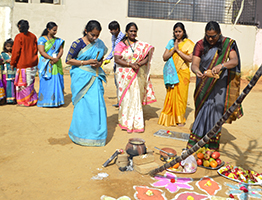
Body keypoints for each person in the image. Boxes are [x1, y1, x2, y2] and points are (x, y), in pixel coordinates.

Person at [186, 21, 243, 151]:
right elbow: (194, 64)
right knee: (202, 110)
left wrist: (222, 65)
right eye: (208, 36)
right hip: (204, 83)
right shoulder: (200, 44)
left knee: (216, 112)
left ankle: (212, 146)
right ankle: (196, 144)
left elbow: (234, 61)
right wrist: (197, 71)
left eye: (214, 36)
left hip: (220, 86)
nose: (211, 39)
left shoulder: (227, 44)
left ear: (219, 34)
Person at [66, 20, 108, 146]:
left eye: (97, 35)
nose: (95, 38)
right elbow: (68, 60)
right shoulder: (77, 44)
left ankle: (97, 135)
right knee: (83, 106)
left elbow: (100, 59)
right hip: (81, 78)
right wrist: (86, 62)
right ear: (86, 31)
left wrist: (98, 63)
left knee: (97, 106)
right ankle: (79, 134)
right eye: (92, 35)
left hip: (95, 77)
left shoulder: (99, 44)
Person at [114, 22, 156, 133]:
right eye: (131, 31)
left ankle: (137, 123)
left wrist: (139, 64)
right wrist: (130, 65)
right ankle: (125, 121)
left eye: (135, 31)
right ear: (127, 32)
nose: (133, 33)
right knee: (126, 98)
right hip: (125, 75)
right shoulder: (121, 44)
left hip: (137, 73)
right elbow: (117, 59)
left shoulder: (141, 45)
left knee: (136, 97)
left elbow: (147, 57)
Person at [158, 22, 194, 127]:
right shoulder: (171, 42)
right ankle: (169, 117)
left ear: (183, 32)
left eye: (180, 31)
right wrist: (174, 48)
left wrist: (178, 51)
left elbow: (190, 59)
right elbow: (164, 57)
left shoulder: (189, 43)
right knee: (171, 94)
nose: (178, 33)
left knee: (182, 96)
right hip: (172, 73)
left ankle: (179, 118)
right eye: (176, 31)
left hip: (183, 73)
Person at [10, 20, 38, 106]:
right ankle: (31, 99)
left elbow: (16, 52)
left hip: (23, 64)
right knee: (30, 83)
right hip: (32, 64)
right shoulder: (33, 36)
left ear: (19, 27)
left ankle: (25, 101)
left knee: (23, 84)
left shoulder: (19, 37)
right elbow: (35, 50)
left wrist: (12, 63)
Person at [37, 22, 65, 107]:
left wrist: (57, 58)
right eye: (54, 30)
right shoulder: (42, 40)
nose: (55, 32)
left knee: (56, 81)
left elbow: (61, 50)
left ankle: (57, 101)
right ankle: (45, 101)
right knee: (47, 82)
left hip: (56, 63)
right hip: (46, 63)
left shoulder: (58, 40)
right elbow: (41, 51)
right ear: (48, 29)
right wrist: (51, 58)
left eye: (56, 30)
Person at [105, 21, 125, 107]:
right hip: (116, 64)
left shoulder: (123, 38)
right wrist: (107, 59)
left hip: (123, 64)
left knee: (123, 83)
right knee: (117, 83)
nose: (111, 31)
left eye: (112, 30)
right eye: (110, 30)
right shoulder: (113, 37)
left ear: (117, 29)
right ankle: (120, 102)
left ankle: (123, 102)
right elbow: (114, 49)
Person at [1, 38, 16, 104]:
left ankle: (13, 98)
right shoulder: (3, 54)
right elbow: (0, 62)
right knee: (7, 84)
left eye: (11, 46)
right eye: (8, 46)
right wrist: (5, 61)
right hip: (6, 72)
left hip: (14, 71)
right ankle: (7, 98)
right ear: (5, 46)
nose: (9, 48)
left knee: (13, 84)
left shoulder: (14, 53)